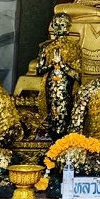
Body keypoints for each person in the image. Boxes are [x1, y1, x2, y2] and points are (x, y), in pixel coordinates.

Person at [36, 12, 82, 140]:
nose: (59, 28)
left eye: (62, 25)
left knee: (64, 112)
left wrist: (62, 65)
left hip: (67, 85)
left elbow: (78, 75)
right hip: (51, 85)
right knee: (53, 112)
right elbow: (39, 70)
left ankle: (64, 138)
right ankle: (53, 137)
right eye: (56, 25)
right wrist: (52, 65)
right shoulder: (46, 47)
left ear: (68, 27)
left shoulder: (74, 47)